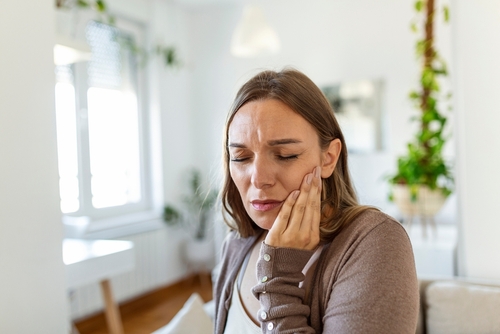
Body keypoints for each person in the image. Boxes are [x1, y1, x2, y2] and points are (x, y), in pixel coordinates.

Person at [213, 68, 419, 333]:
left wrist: (279, 280)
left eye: (285, 154)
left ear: (328, 158)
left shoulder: (375, 242)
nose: (259, 179)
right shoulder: (236, 244)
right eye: (241, 157)